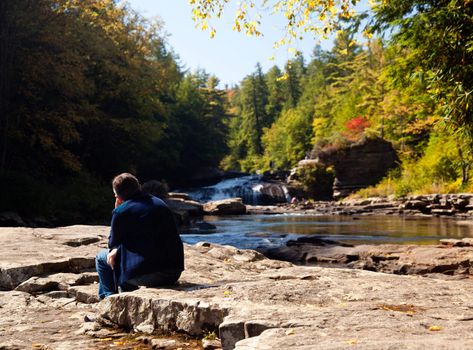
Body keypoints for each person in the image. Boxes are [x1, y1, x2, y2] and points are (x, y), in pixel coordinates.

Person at [95, 173, 184, 299]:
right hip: (173, 272)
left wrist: (116, 210)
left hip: (149, 276)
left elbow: (112, 244)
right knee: (125, 258)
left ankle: (108, 300)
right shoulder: (160, 204)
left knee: (101, 258)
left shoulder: (121, 211)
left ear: (117, 196)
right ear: (140, 187)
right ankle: (127, 296)